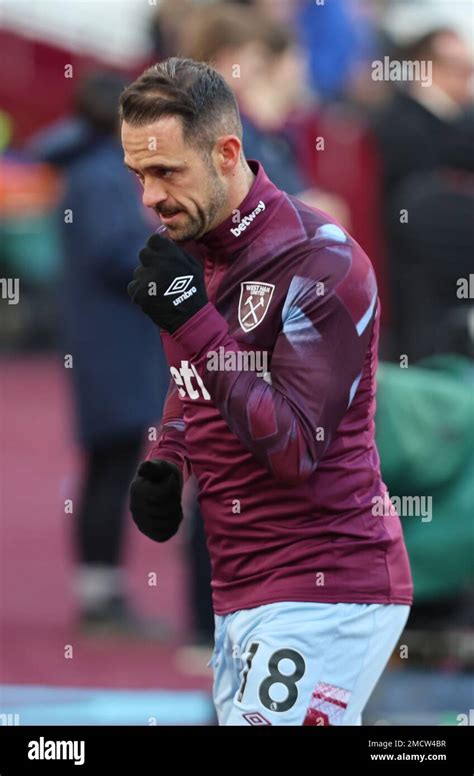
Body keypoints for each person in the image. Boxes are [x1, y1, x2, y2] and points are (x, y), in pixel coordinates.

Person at [121, 58, 413, 725]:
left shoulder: (322, 261)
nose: (150, 196)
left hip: (330, 586)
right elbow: (196, 382)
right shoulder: (189, 246)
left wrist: (192, 318)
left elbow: (293, 447)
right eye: (139, 173)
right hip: (242, 587)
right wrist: (170, 455)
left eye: (167, 171)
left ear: (228, 152)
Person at [29, 71, 169, 637]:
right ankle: (99, 597)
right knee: (112, 465)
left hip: (107, 338)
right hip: (111, 340)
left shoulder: (90, 170)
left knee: (112, 464)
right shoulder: (99, 177)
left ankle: (102, 591)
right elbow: (118, 256)